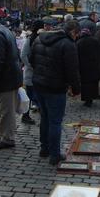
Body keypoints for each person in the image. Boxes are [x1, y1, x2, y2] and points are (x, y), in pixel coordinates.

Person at [30, 20, 81, 165]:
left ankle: (44, 148)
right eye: (77, 34)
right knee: (55, 121)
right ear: (73, 32)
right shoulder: (68, 44)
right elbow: (72, 70)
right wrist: (76, 89)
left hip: (39, 84)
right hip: (55, 88)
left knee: (45, 117)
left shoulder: (40, 39)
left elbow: (31, 60)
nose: (76, 37)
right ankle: (54, 154)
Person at [0, 13, 23, 149]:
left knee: (6, 110)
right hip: (10, 76)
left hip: (6, 78)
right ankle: (2, 135)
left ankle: (7, 138)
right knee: (5, 109)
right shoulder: (4, 30)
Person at [20, 20, 45, 124]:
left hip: (37, 73)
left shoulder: (40, 38)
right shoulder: (30, 39)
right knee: (30, 95)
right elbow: (23, 55)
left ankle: (39, 116)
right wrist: (30, 65)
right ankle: (26, 116)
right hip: (31, 73)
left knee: (35, 95)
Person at [77, 28, 100, 107]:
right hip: (94, 65)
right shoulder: (95, 40)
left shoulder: (79, 42)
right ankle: (92, 97)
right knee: (93, 83)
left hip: (83, 66)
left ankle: (86, 100)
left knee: (85, 84)